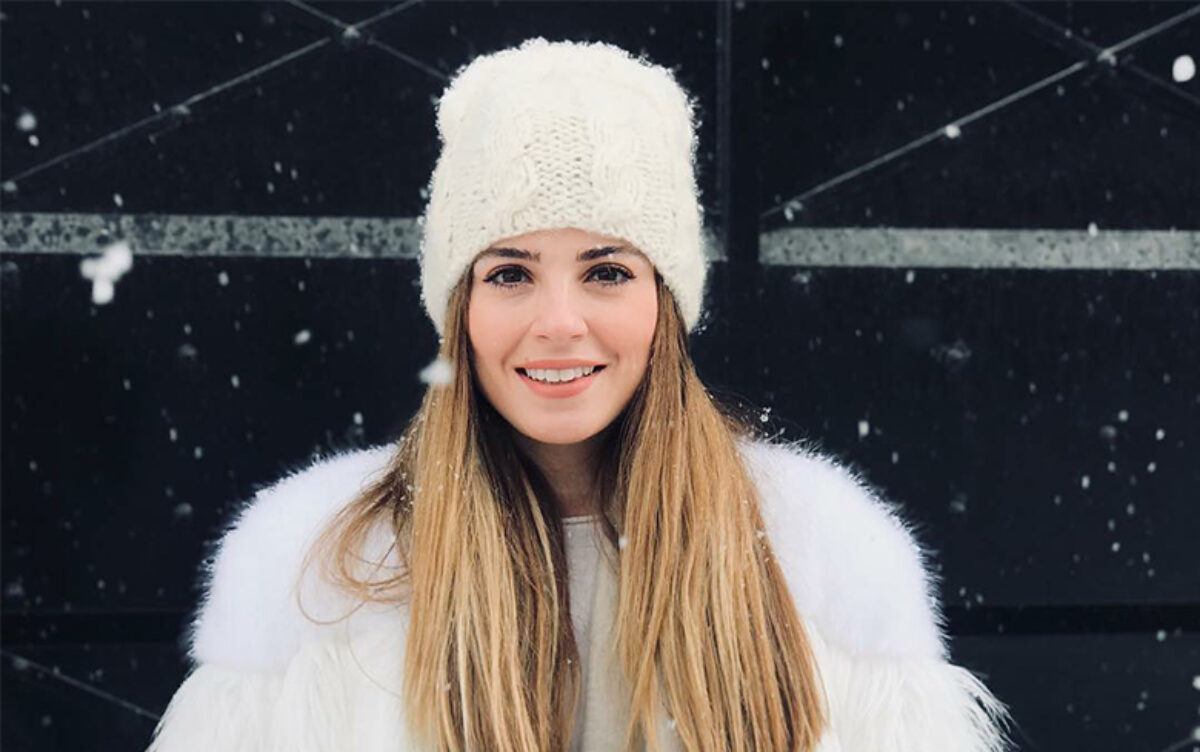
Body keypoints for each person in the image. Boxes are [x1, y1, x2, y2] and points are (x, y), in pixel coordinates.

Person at [146, 37, 1014, 752]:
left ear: (665, 304)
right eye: (510, 273)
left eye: (606, 271)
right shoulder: (315, 569)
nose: (559, 323)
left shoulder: (823, 556)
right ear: (460, 308)